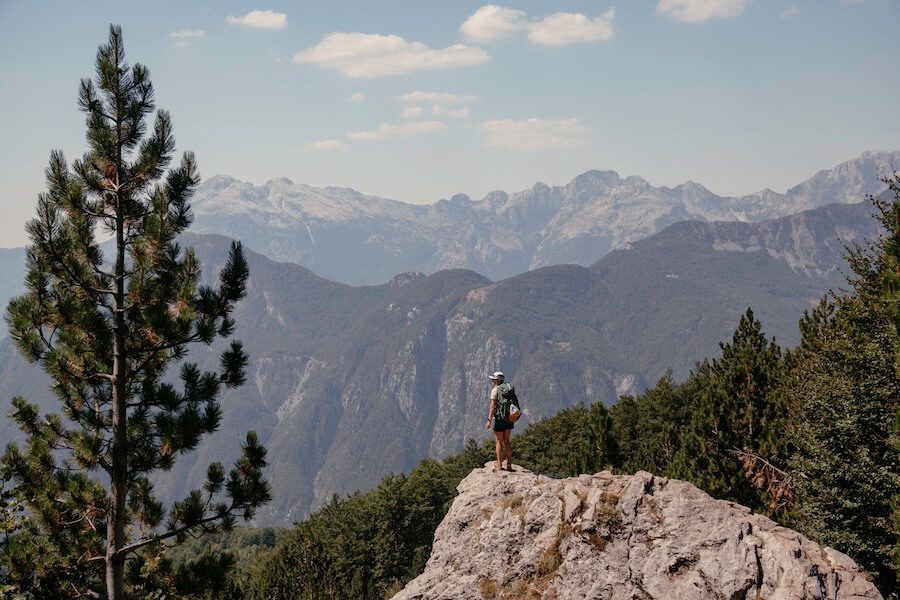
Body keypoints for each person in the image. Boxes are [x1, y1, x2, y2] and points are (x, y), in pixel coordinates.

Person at [484, 371, 516, 472]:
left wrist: (489, 420)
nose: (492, 381)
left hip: (499, 418)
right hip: (509, 418)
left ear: (497, 380)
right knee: (507, 441)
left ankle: (500, 464)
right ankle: (509, 464)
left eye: (493, 379)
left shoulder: (495, 390)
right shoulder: (508, 389)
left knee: (498, 441)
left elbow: (492, 406)